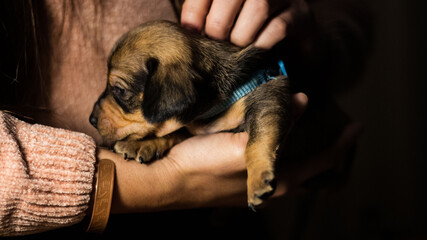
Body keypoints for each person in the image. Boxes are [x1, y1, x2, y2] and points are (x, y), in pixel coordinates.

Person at [0, 0, 368, 237]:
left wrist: (308, 38)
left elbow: (355, 27)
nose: (98, 114)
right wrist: (167, 179)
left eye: (121, 93)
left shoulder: (189, 93)